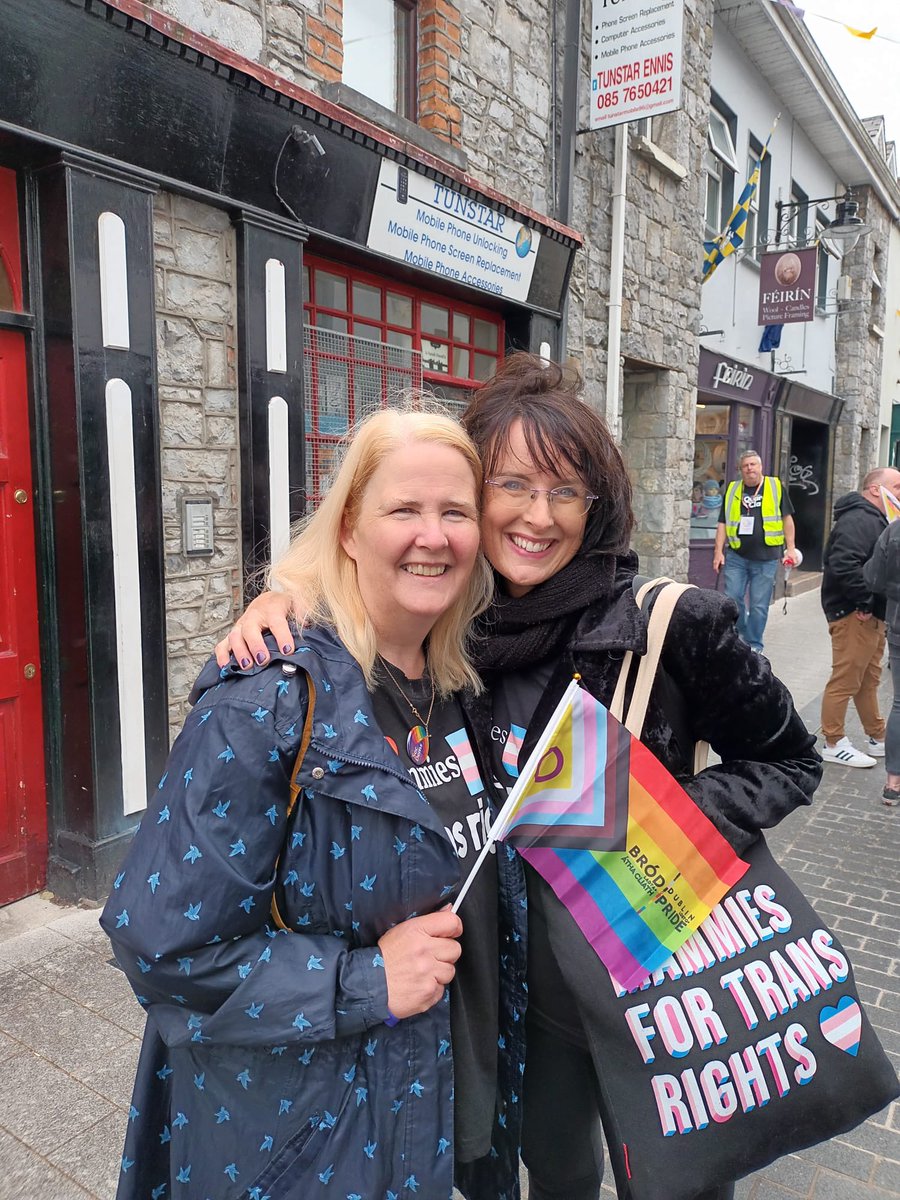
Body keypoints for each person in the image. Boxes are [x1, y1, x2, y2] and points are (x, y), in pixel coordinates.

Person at [218, 354, 822, 1200]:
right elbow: (361, 584)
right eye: (512, 485)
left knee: (679, 1186)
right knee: (559, 1175)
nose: (539, 516)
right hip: (527, 1002)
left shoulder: (671, 623)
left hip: (658, 982)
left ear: (595, 505)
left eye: (565, 491)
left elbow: (791, 760)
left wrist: (649, 821)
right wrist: (283, 598)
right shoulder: (448, 628)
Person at [100, 408, 528, 1200]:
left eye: (455, 512)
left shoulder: (463, 687)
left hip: (446, 1117)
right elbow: (163, 949)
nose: (433, 536)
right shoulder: (266, 701)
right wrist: (364, 981)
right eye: (404, 509)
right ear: (349, 529)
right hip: (315, 1149)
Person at [819, 466, 900, 769]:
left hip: (869, 612)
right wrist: (863, 602)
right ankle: (833, 742)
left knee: (868, 679)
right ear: (876, 489)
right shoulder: (859, 519)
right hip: (855, 613)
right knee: (846, 678)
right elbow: (843, 564)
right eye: (897, 486)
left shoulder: (876, 518)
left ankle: (877, 735)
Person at [712, 450, 796, 653]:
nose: (749, 468)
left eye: (753, 464)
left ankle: (755, 644)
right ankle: (741, 636)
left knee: (759, 605)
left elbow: (787, 519)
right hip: (736, 555)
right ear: (740, 470)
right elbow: (722, 522)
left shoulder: (775, 487)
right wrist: (718, 552)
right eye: (745, 465)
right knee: (733, 598)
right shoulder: (733, 489)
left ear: (760, 467)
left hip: (766, 558)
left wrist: (791, 549)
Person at [863, 510, 900, 804]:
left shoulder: (894, 531)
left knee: (899, 704)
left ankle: (893, 783)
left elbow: (874, 579)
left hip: (898, 621)